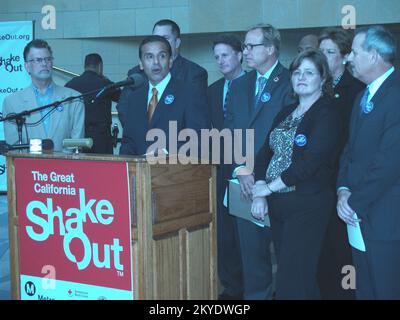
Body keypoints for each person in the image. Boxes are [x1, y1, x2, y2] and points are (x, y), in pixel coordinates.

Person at [251, 49, 341, 299]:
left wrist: (268, 188)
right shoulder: (285, 112)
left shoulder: (328, 113)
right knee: (297, 278)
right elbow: (263, 154)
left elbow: (310, 163)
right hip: (279, 203)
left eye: (309, 72)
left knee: (292, 278)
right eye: (297, 72)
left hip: (307, 203)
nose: (301, 77)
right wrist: (260, 191)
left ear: (323, 79)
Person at [225, 23, 293, 300]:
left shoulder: (290, 82)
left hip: (278, 184)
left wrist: (263, 178)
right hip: (244, 182)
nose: (245, 51)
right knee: (252, 260)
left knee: (286, 260)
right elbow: (229, 132)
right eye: (244, 46)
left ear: (270, 49)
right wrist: (241, 169)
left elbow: (288, 138)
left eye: (251, 46)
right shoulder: (239, 85)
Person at [337, 25, 400, 300]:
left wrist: (353, 202)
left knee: (385, 290)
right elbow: (349, 151)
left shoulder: (396, 95)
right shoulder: (362, 96)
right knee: (365, 290)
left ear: (373, 55)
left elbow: (389, 163)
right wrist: (342, 190)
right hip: (358, 214)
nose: (348, 58)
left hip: (386, 218)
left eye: (354, 52)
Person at [317, 27, 364, 300]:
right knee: (321, 252)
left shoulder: (356, 90)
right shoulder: (314, 86)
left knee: (343, 253)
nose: (323, 57)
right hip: (316, 184)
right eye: (320, 51)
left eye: (330, 52)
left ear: (346, 56)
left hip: (343, 183)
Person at [118, 35, 209, 156]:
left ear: (170, 61)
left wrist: (165, 153)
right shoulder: (134, 98)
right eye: (149, 57)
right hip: (141, 172)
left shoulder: (189, 93)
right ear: (141, 64)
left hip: (176, 171)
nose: (156, 62)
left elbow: (200, 139)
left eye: (162, 56)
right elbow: (128, 142)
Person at [207, 34, 245, 300]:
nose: (221, 60)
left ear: (240, 54)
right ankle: (231, 288)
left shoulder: (254, 85)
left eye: (226, 55)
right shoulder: (212, 90)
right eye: (217, 56)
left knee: (248, 234)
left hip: (248, 168)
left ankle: (253, 287)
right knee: (225, 233)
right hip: (221, 169)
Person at [118, 19, 208, 124]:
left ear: (177, 43)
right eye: (156, 38)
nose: (159, 43)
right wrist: (140, 133)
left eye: (165, 38)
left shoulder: (194, 74)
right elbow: (123, 108)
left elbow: (196, 117)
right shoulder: (137, 72)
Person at [2, 39, 84, 151]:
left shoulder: (74, 99)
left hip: (65, 167)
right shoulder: (12, 102)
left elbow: (77, 145)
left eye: (48, 59)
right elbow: (14, 147)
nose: (44, 64)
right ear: (27, 66)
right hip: (28, 167)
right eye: (38, 60)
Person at [65, 53, 121, 154]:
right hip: (101, 138)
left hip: (77, 137)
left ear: (85, 66)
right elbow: (122, 98)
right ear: (100, 66)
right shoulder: (105, 84)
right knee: (102, 167)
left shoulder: (70, 84)